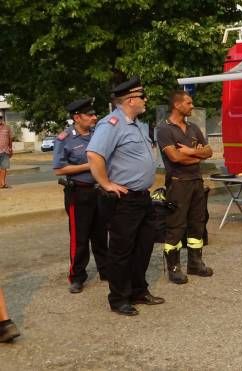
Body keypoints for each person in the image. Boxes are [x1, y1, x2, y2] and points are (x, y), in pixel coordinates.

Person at [87, 77, 164, 316]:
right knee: (121, 250)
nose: (145, 100)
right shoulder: (110, 124)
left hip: (142, 197)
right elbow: (94, 155)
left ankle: (138, 290)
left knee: (143, 246)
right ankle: (119, 298)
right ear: (131, 100)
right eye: (142, 97)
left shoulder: (139, 125)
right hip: (124, 200)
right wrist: (106, 183)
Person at [157, 91, 213, 284]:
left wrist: (190, 151)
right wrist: (197, 156)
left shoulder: (193, 127)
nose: (192, 106)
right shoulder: (164, 129)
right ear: (177, 105)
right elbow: (175, 158)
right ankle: (174, 268)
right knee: (176, 226)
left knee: (197, 223)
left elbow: (209, 152)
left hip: (196, 181)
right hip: (178, 184)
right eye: (189, 103)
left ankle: (195, 263)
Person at [53, 98, 108, 293]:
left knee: (101, 234)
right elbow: (59, 169)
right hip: (79, 192)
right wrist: (90, 165)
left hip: (99, 190)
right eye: (90, 115)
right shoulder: (65, 139)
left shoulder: (98, 135)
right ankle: (77, 276)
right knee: (80, 237)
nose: (95, 117)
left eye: (94, 114)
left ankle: (105, 270)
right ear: (77, 117)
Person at [0, 112, 12, 189]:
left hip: (5, 151)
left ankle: (3, 183)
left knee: (4, 168)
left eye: (0, 118)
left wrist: (11, 149)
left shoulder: (7, 128)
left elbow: (10, 139)